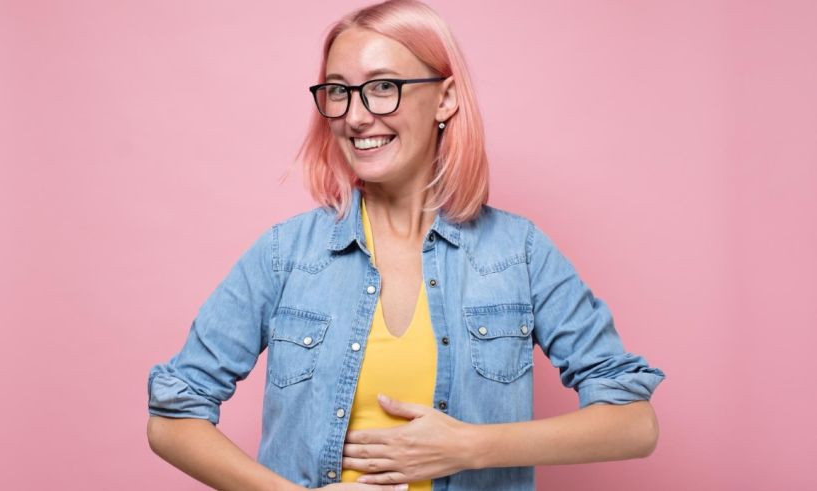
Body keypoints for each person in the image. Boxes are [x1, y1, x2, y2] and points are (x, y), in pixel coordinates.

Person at [146, 0, 666, 489]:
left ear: (444, 97)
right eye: (338, 91)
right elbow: (172, 420)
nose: (354, 116)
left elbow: (634, 424)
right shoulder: (286, 255)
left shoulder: (519, 252)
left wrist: (470, 446)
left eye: (382, 87)